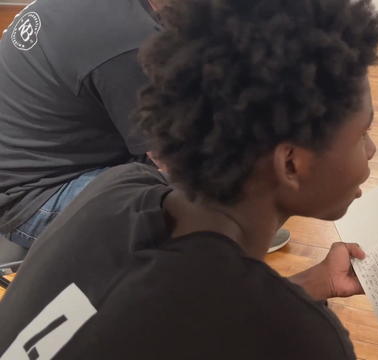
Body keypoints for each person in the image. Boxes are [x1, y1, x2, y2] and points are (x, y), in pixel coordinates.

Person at [0, 0, 378, 359]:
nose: (372, 150)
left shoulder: (115, 191)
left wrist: (308, 285)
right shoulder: (301, 337)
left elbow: (181, 322)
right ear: (289, 164)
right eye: (362, 133)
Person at [0, 0, 290, 252]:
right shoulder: (127, 44)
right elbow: (178, 162)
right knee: (211, 210)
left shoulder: (124, 16)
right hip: (33, 198)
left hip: (38, 159)